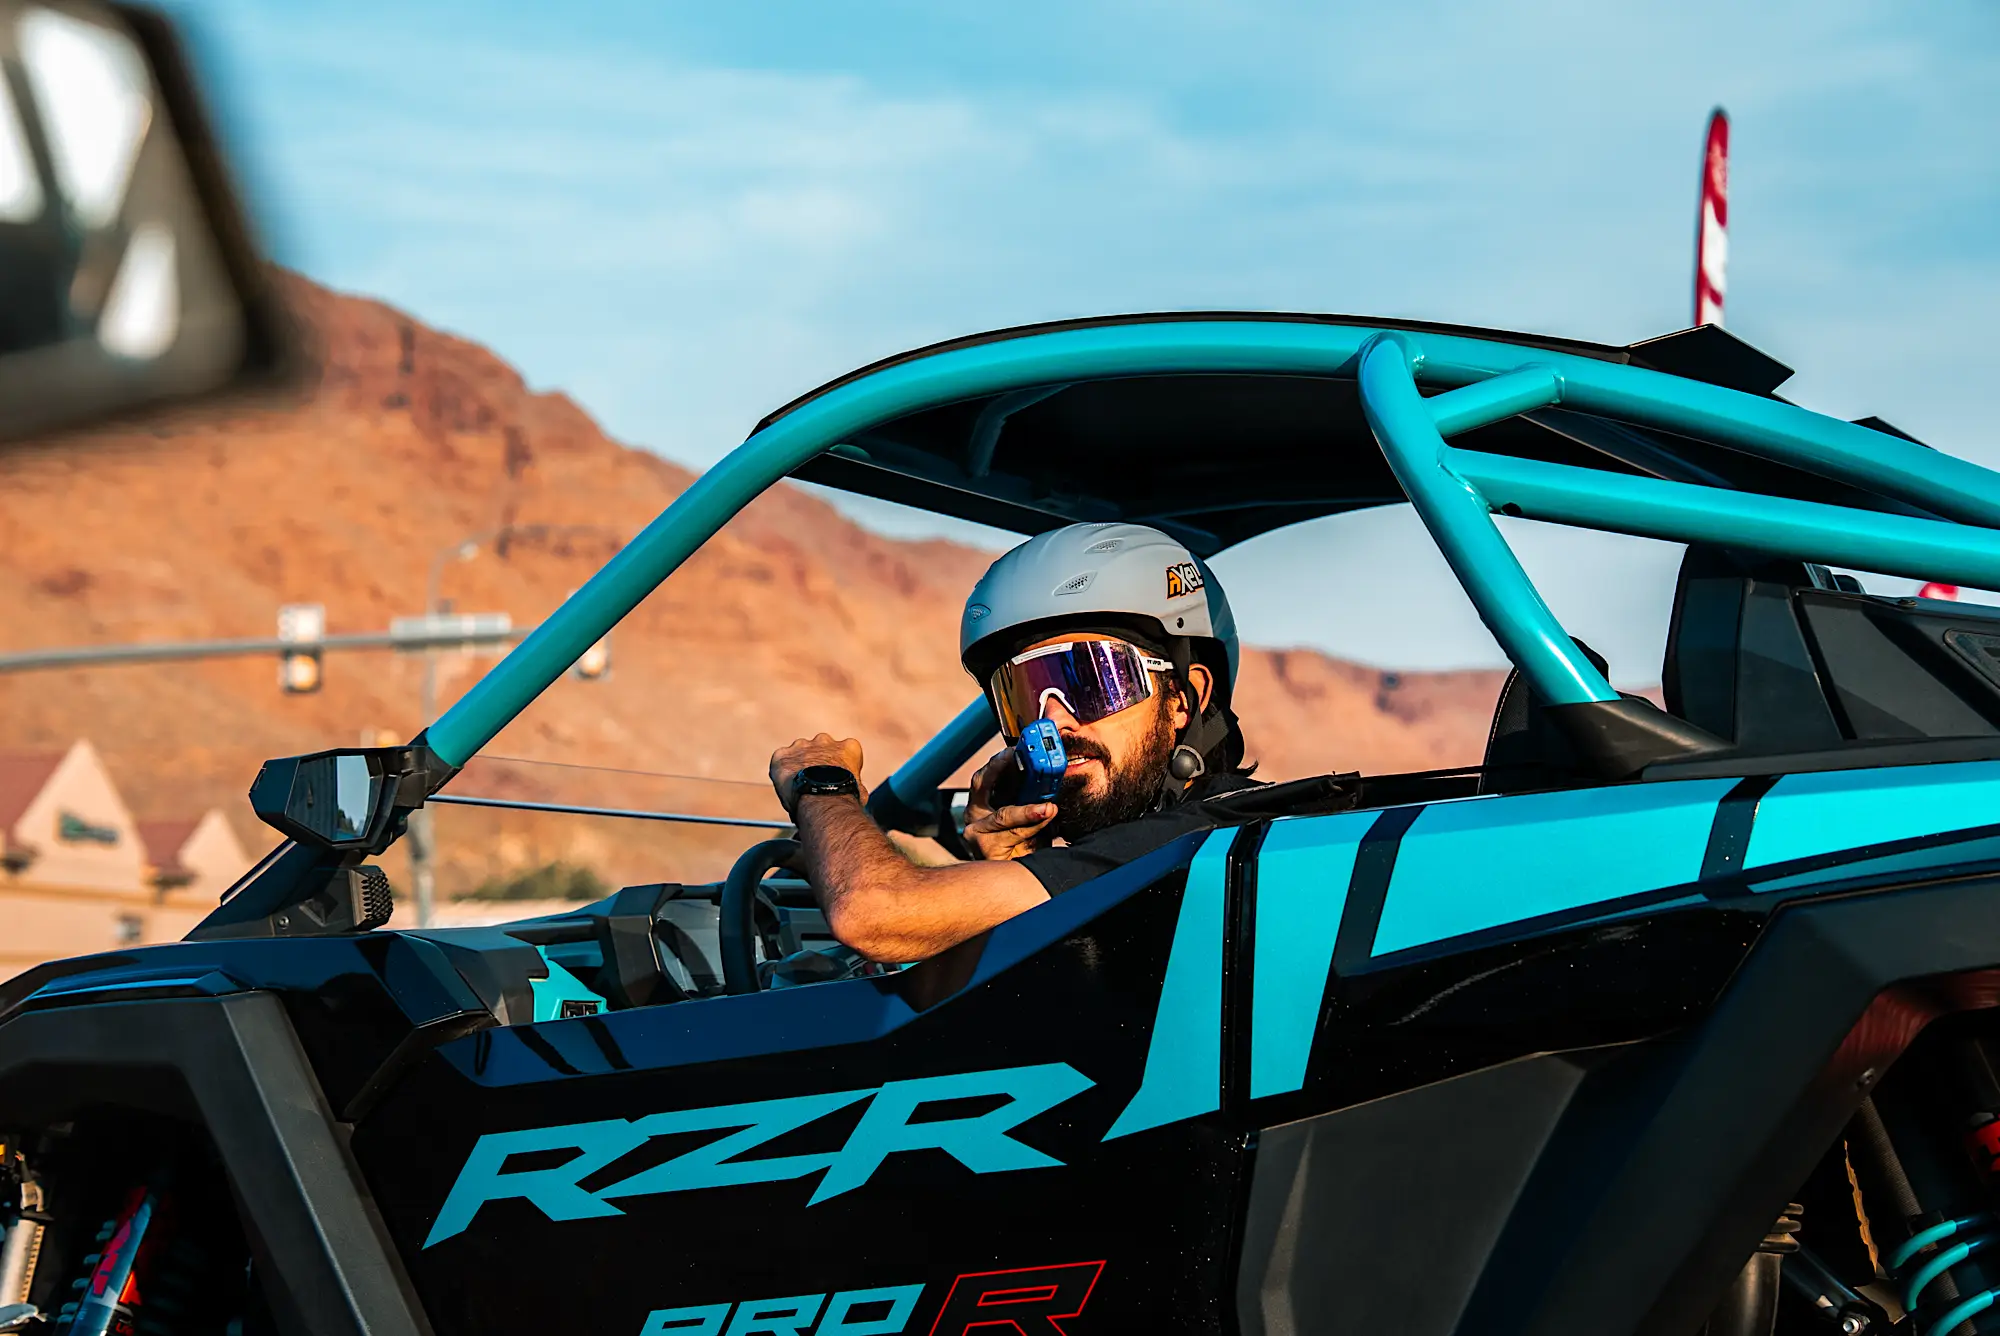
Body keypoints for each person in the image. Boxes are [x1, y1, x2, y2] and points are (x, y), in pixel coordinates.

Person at [768, 521, 1258, 962]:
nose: (1051, 721)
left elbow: (873, 913)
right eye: (1023, 697)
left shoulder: (1209, 836)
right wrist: (1021, 871)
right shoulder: (1159, 862)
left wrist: (824, 784)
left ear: (1182, 700)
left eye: (1089, 680)